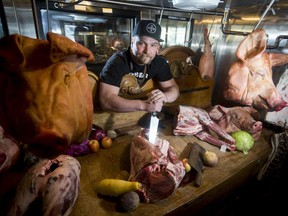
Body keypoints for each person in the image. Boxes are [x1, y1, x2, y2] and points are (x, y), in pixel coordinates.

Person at [99, 20, 180, 112]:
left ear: (158, 47)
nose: (147, 51)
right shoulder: (117, 62)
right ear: (132, 42)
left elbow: (174, 89)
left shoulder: (159, 62)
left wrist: (164, 97)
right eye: (141, 43)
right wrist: (144, 106)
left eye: (153, 45)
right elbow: (106, 101)